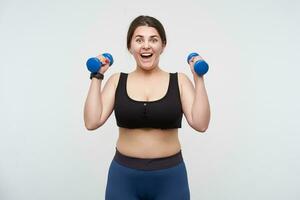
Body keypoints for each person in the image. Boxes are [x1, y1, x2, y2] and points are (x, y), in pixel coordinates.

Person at [84, 15, 210, 200]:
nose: (146, 46)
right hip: (123, 178)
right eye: (139, 40)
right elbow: (91, 121)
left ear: (163, 46)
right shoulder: (117, 81)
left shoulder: (180, 81)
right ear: (130, 47)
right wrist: (97, 76)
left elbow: (201, 124)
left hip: (170, 178)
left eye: (153, 39)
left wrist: (198, 78)